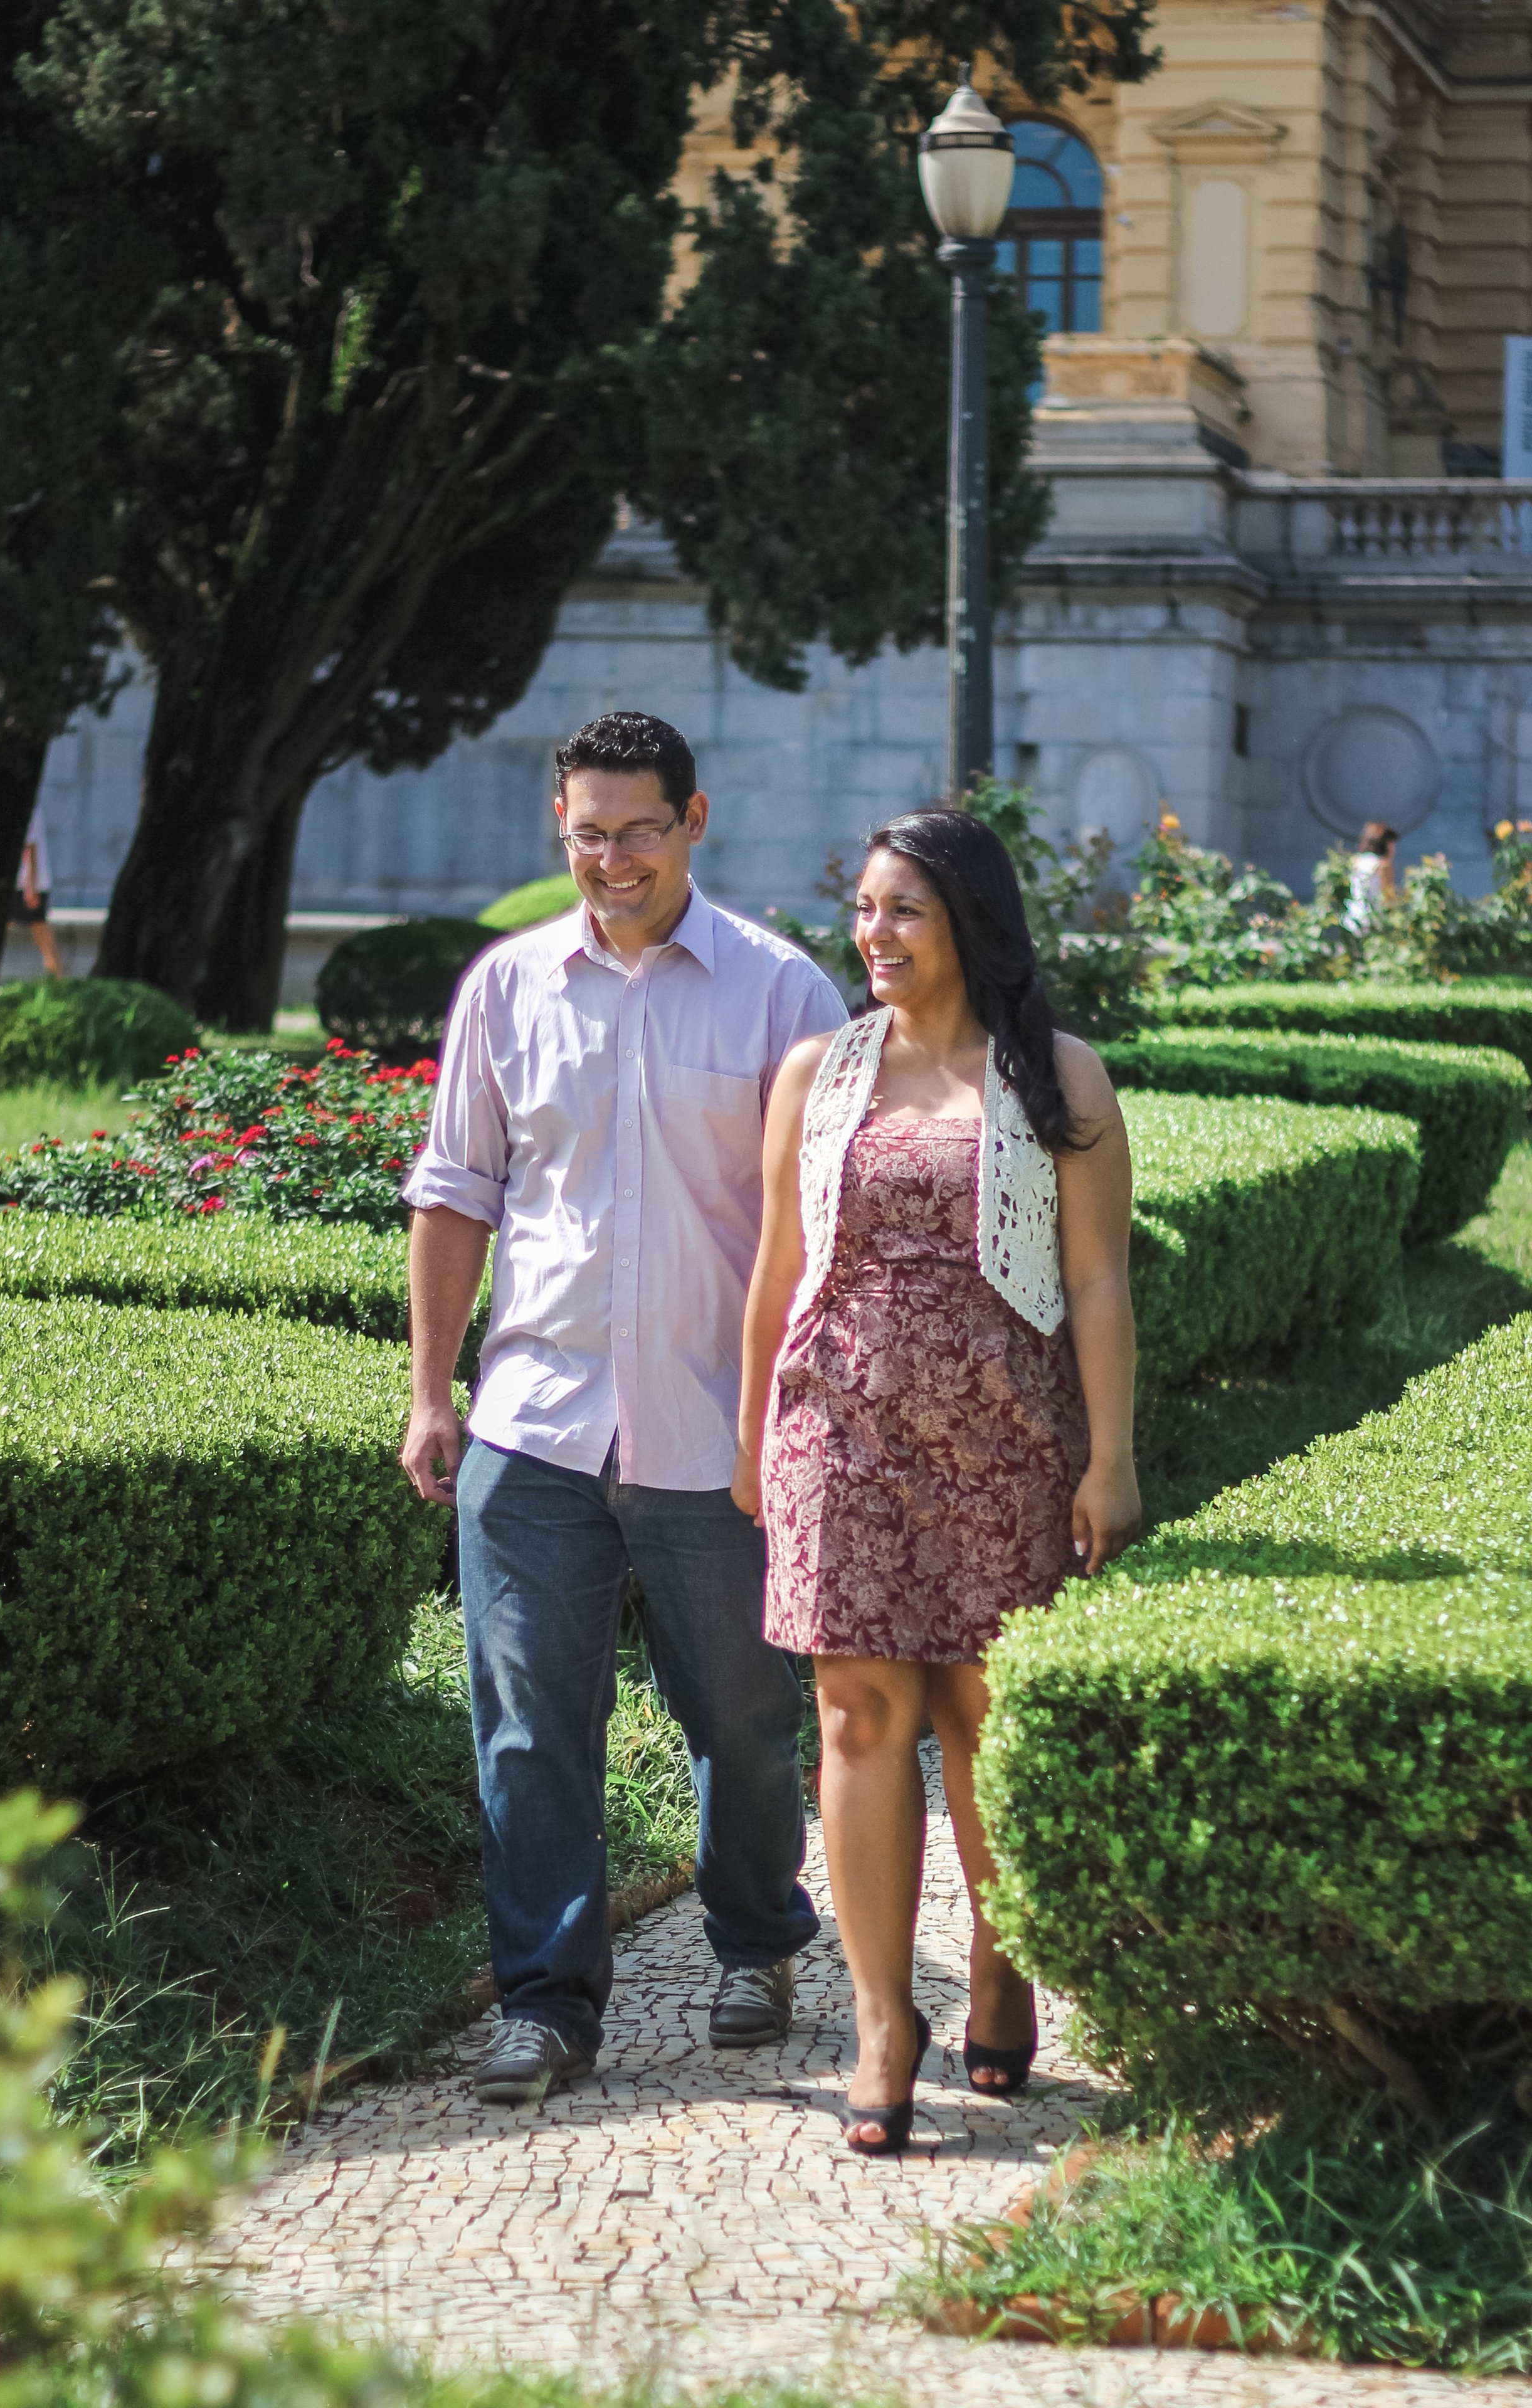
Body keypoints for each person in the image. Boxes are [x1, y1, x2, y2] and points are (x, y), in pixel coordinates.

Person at [399, 710, 848, 2106]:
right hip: (533, 1425)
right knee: (530, 1730)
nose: (612, 858)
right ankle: (543, 2001)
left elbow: (835, 1219)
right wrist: (431, 1394)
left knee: (742, 1717)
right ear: (561, 829)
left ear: (694, 824)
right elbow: (455, 1192)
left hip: (715, 1433)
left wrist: (810, 1419)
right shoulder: (508, 987)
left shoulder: (781, 995)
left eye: (638, 830)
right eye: (587, 832)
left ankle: (758, 1938)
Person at [733, 808, 1141, 2157]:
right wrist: (750, 1436)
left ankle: (1000, 1964)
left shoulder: (1056, 1078)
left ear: (967, 917)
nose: (874, 934)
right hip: (837, 1424)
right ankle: (878, 2018)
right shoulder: (818, 1071)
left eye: (901, 909)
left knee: (977, 1717)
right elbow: (779, 1268)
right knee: (855, 1714)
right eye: (861, 910)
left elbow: (1092, 1276)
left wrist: (1109, 1454)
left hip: (1004, 1438)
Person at [8, 801, 64, 978]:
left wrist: (30, 887)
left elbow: (30, 846)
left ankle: (57, 978)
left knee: (42, 934)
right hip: (29, 883)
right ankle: (57, 979)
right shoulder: (30, 807)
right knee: (42, 934)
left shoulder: (25, 808)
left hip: (26, 884)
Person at [1345, 821, 1398, 934]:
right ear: (1388, 845)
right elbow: (1389, 899)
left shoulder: (1355, 861)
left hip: (1352, 919)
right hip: (1373, 922)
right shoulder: (1383, 866)